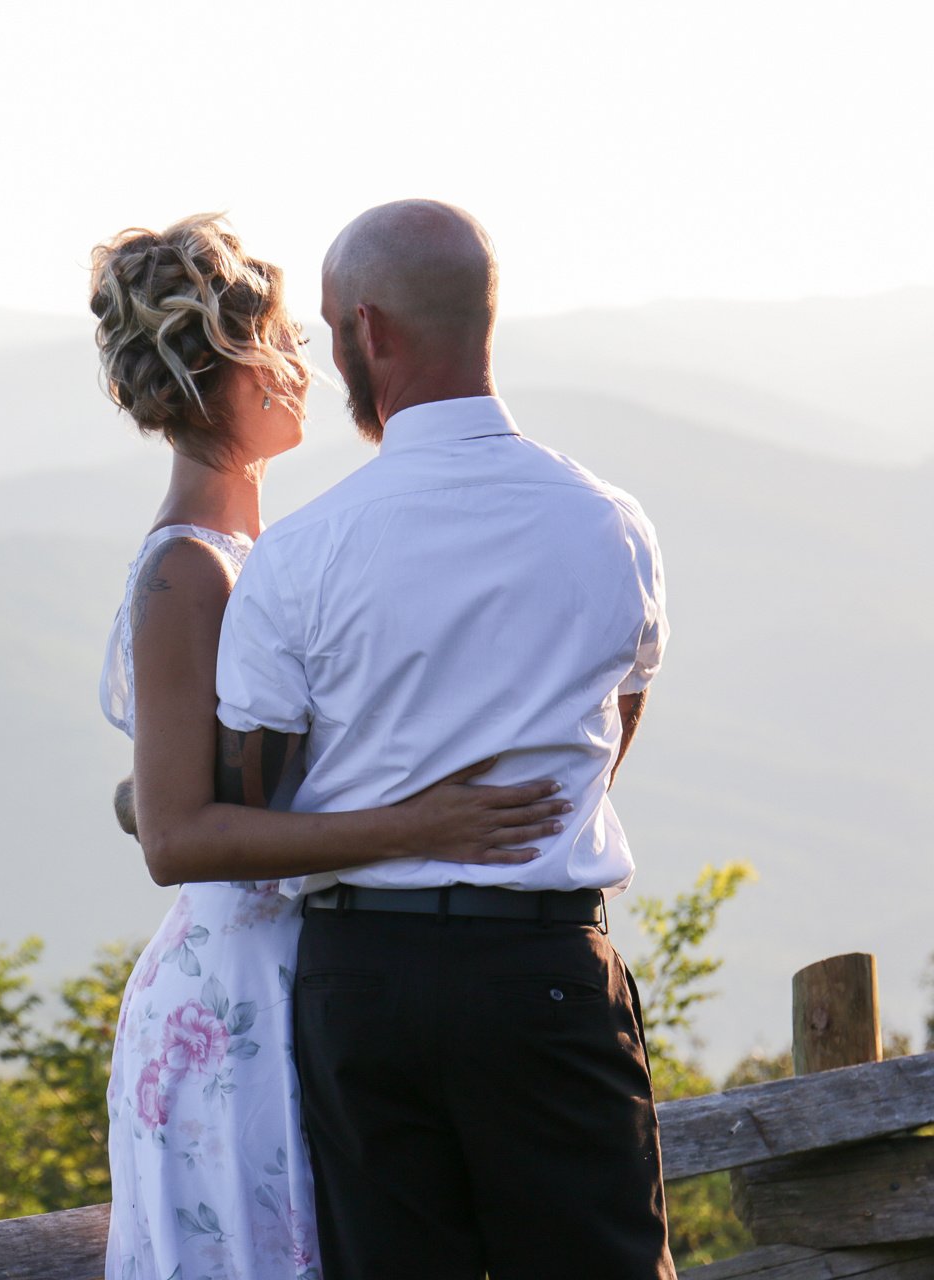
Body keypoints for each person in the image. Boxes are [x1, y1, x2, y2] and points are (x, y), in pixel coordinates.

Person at [91, 214, 573, 1280]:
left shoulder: (256, 553)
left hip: (312, 969)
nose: (310, 368)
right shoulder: (189, 573)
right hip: (235, 994)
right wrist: (424, 823)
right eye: (287, 345)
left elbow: (165, 789)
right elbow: (173, 835)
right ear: (237, 369)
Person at [214, 199, 674, 1279]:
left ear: (369, 332)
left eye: (330, 331)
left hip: (360, 979)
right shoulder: (608, 521)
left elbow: (252, 802)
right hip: (542, 966)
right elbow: (617, 720)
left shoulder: (304, 552)